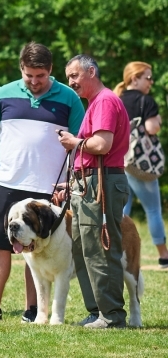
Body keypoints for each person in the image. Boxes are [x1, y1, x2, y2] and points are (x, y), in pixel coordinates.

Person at [0, 43, 84, 322]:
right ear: (21, 68)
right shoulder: (4, 92)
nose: (34, 82)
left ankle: (34, 310)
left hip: (47, 189)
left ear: (51, 71)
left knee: (35, 248)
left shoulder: (69, 98)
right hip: (4, 183)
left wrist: (70, 181)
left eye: (40, 76)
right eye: (29, 75)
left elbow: (80, 143)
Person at [57, 54, 131, 329]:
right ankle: (97, 311)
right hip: (90, 182)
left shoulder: (104, 101)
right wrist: (73, 180)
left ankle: (111, 316)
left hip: (101, 184)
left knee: (100, 249)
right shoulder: (94, 104)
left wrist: (74, 142)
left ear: (91, 72)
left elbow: (102, 144)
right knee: (83, 249)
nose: (71, 82)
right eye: (68, 78)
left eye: (75, 76)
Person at [113, 62, 168, 269]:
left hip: (119, 161)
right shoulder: (146, 101)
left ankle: (116, 251)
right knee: (153, 209)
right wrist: (159, 120)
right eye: (148, 77)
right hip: (140, 164)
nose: (151, 82)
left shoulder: (115, 99)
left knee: (120, 209)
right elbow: (152, 128)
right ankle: (164, 255)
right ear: (134, 79)